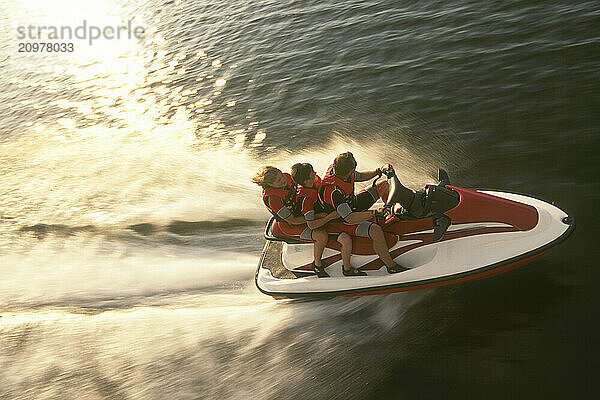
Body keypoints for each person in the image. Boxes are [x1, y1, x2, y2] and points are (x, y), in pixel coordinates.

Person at [318, 152, 408, 274]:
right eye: (352, 170)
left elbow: (360, 176)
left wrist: (379, 170)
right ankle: (391, 266)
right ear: (348, 171)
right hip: (342, 220)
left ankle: (390, 213)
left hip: (352, 204)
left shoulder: (340, 171)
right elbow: (349, 218)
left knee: (384, 185)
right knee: (375, 230)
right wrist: (375, 213)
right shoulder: (334, 192)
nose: (354, 172)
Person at [251, 166, 336, 276]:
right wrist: (318, 216)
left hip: (302, 212)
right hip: (290, 225)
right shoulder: (273, 199)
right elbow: (293, 220)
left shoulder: (287, 177)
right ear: (270, 184)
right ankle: (317, 265)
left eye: (281, 176)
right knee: (321, 235)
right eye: (278, 181)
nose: (283, 180)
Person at [291, 162, 354, 278]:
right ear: (306, 181)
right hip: (319, 224)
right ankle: (322, 266)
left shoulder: (314, 182)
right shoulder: (306, 200)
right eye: (312, 173)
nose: (315, 173)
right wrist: (329, 217)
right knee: (345, 239)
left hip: (326, 217)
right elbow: (311, 224)